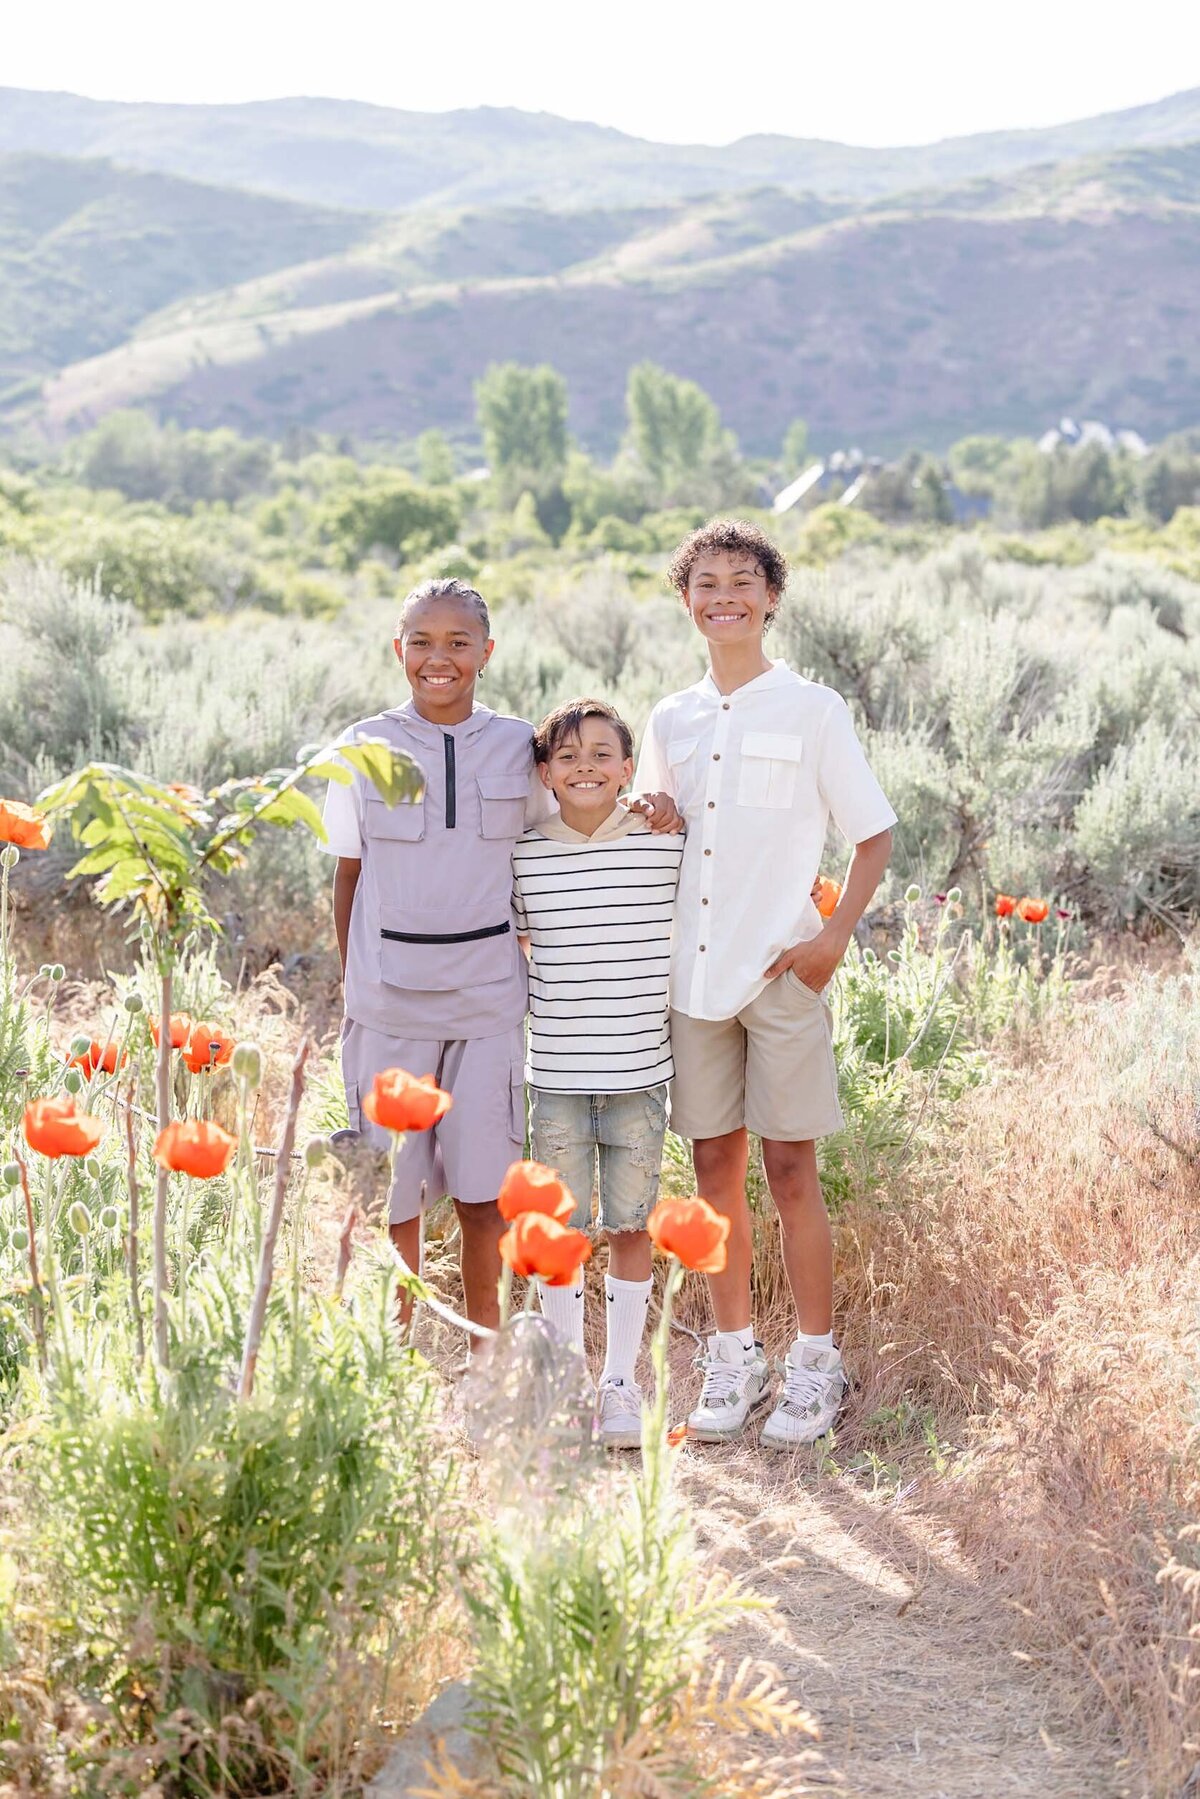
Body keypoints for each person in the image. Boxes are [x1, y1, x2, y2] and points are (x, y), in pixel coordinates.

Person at [636, 520, 896, 1449]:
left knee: (791, 1171)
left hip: (782, 972)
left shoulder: (813, 708)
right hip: (694, 977)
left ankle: (815, 1365)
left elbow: (873, 833)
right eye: (706, 582)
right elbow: (658, 834)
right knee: (713, 1176)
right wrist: (654, 814)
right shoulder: (670, 718)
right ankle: (734, 1355)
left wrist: (832, 937)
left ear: (772, 598)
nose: (724, 597)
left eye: (742, 581)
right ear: (686, 600)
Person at [320, 577, 552, 1333]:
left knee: (487, 1194)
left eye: (458, 641)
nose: (438, 657)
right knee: (394, 1192)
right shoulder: (362, 745)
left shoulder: (523, 745)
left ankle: (486, 1347)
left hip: (487, 1005)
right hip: (390, 1002)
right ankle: (394, 1351)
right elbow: (348, 872)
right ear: (398, 649)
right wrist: (357, 987)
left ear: (487, 651)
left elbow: (565, 833)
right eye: (421, 640)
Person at [512, 698, 685, 1447]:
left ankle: (619, 1384)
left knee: (630, 1225)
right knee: (559, 1231)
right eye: (570, 756)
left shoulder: (662, 846)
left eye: (603, 754)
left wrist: (668, 811)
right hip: (553, 1072)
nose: (586, 767)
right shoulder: (524, 854)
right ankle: (567, 1382)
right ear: (546, 772)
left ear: (626, 768)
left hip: (640, 1074)